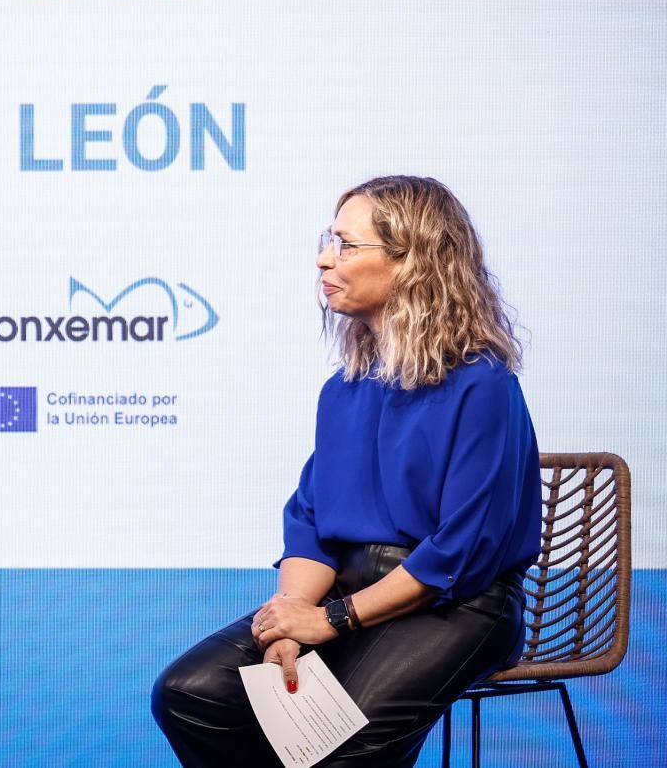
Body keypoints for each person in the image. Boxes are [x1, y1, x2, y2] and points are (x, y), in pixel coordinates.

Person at [151, 175, 541, 767]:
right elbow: (312, 521)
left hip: (456, 604)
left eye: (346, 245)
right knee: (189, 693)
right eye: (328, 240)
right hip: (344, 594)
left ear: (413, 263)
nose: (323, 259)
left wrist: (331, 619)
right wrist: (289, 620)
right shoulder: (343, 390)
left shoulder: (483, 386)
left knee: (339, 742)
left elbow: (459, 552)